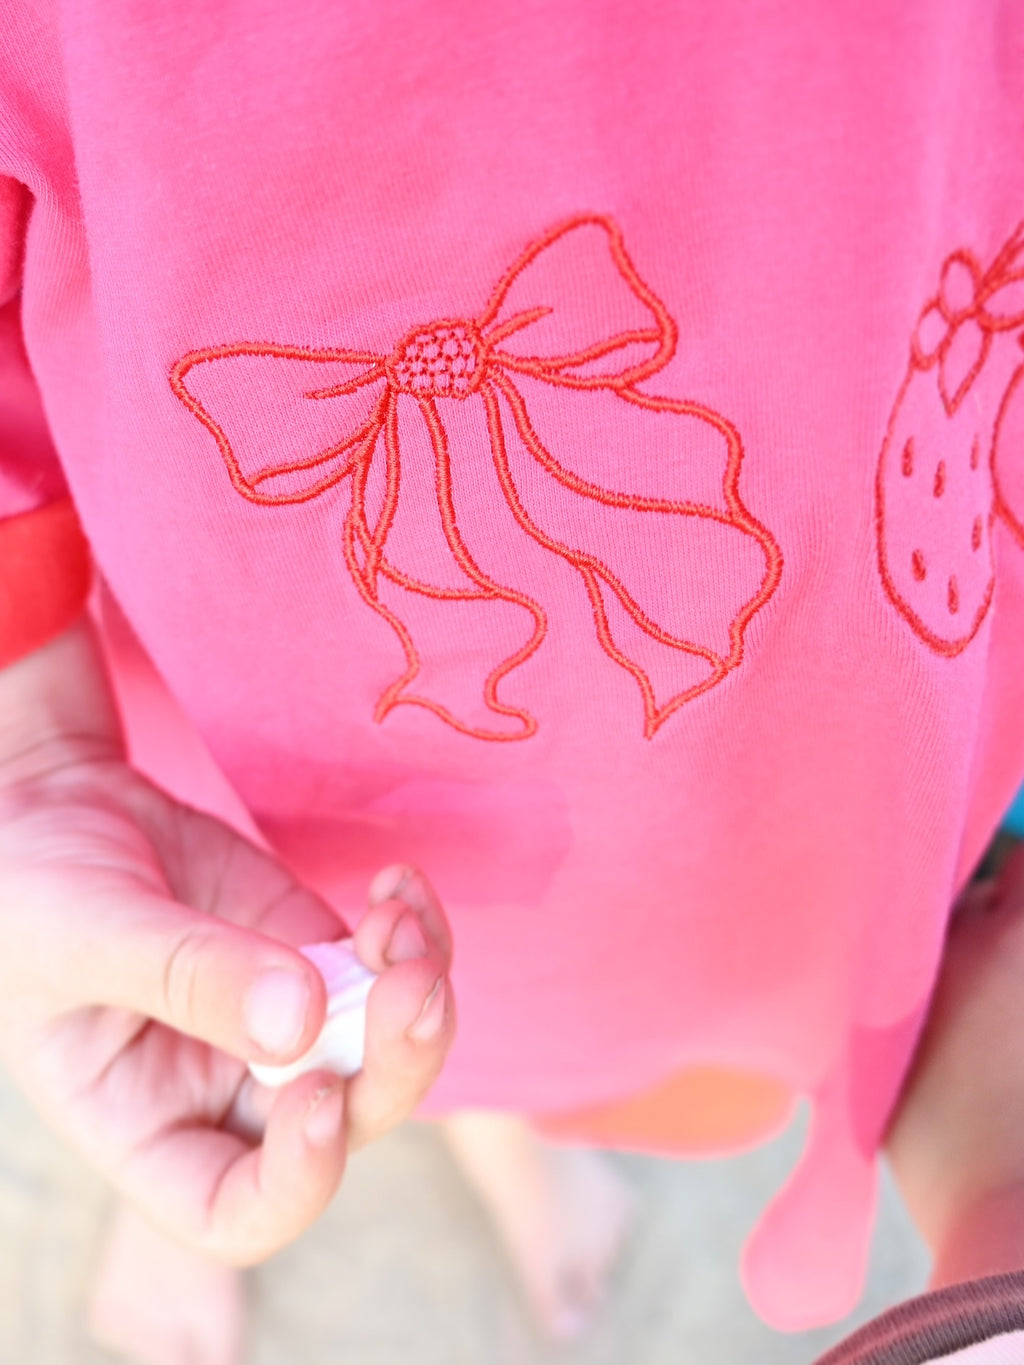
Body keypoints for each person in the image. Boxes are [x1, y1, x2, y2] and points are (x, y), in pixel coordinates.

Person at [2, 2, 1024, 1361]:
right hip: (255, 709)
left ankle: (505, 1125)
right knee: (267, 963)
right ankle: (275, 1102)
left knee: (588, 991)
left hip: (780, 754)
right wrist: (34, 731)